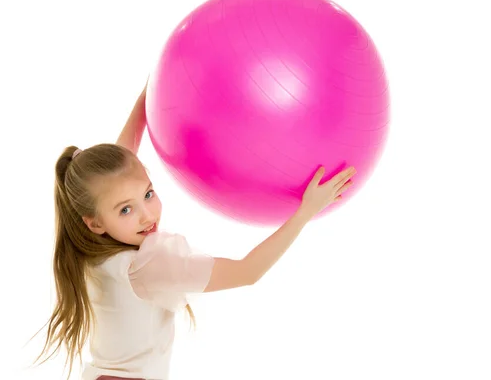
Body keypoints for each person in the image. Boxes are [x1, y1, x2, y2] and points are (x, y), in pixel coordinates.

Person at [33, 82, 356, 380]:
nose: (147, 215)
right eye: (126, 210)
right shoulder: (146, 265)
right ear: (95, 221)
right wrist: (306, 210)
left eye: (148, 194)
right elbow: (247, 272)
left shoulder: (86, 244)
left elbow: (118, 171)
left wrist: (147, 100)